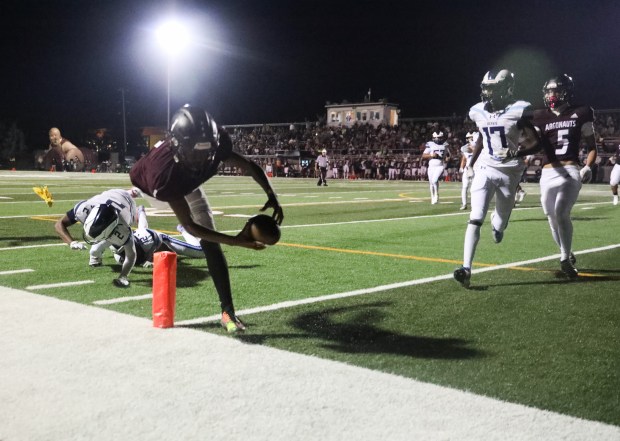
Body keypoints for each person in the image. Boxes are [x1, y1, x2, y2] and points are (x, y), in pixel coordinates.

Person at [130, 104, 284, 333]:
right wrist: (235, 241)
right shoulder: (163, 177)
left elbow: (249, 166)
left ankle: (227, 311)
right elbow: (192, 226)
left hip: (183, 178)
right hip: (157, 185)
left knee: (211, 246)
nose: (201, 159)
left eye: (206, 152)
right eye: (194, 152)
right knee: (203, 235)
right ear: (177, 146)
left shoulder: (217, 144)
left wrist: (272, 194)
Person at [454, 69, 541, 288]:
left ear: (506, 88)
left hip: (510, 171)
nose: (487, 92)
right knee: (475, 217)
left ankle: (498, 227)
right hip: (485, 166)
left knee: (501, 222)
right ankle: (466, 268)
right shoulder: (478, 111)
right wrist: (471, 164)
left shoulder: (519, 110)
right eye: (486, 87)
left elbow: (535, 143)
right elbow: (483, 137)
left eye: (492, 88)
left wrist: (517, 153)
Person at [531, 74, 597, 278]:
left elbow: (592, 146)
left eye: (556, 90)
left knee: (561, 212)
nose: (551, 94)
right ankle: (566, 252)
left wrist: (588, 166)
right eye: (549, 91)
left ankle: (564, 260)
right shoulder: (540, 115)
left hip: (569, 170)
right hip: (548, 171)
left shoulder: (581, 112)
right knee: (550, 216)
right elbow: (532, 144)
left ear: (566, 91)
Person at [54, 188, 139, 287]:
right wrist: (71, 242)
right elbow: (59, 224)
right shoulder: (85, 209)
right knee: (95, 249)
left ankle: (135, 193)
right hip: (112, 193)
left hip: (129, 205)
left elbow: (131, 255)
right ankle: (132, 191)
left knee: (95, 249)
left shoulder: (123, 228)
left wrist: (123, 276)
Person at [111, 206, 205, 268]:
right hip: (142, 235)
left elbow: (165, 249)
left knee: (200, 251)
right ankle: (141, 212)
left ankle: (184, 229)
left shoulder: (146, 241)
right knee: (142, 227)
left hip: (158, 239)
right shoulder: (119, 256)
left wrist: (153, 260)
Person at [422, 131, 449, 204]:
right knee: (431, 182)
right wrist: (431, 155)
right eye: (437, 138)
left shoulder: (445, 145)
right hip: (431, 166)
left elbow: (448, 155)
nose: (438, 139)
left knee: (434, 180)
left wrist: (447, 159)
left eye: (440, 138)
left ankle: (436, 195)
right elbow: (423, 155)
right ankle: (432, 197)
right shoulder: (430, 144)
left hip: (440, 165)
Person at [459, 132, 476, 210]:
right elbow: (464, 158)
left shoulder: (479, 146)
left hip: (476, 169)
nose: (470, 139)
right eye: (469, 138)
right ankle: (464, 204)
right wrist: (461, 168)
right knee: (465, 187)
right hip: (467, 169)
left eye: (471, 137)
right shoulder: (465, 148)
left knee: (474, 188)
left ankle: (474, 204)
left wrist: (473, 149)